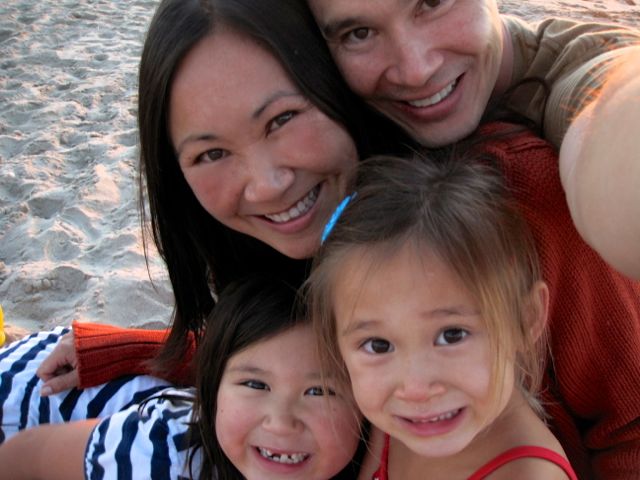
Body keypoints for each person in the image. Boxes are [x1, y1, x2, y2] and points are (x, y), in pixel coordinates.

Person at [25, 0, 640, 477]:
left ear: (331, 86)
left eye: (283, 118)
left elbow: (632, 427)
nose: (266, 185)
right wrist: (152, 352)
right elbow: (317, 343)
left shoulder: (507, 207)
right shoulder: (323, 230)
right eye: (211, 153)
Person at [305, 0, 640, 279]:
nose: (416, 71)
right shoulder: (325, 107)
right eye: (359, 34)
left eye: (433, 3)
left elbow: (609, 111)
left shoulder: (583, 66)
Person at [307, 150, 579, 479]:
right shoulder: (399, 424)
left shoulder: (528, 476)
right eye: (378, 345)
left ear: (526, 319)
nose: (416, 386)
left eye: (452, 335)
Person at [0, 275, 363, 479]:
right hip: (28, 393)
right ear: (210, 391)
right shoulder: (162, 455)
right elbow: (26, 455)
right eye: (255, 384)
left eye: (319, 391)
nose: (282, 423)